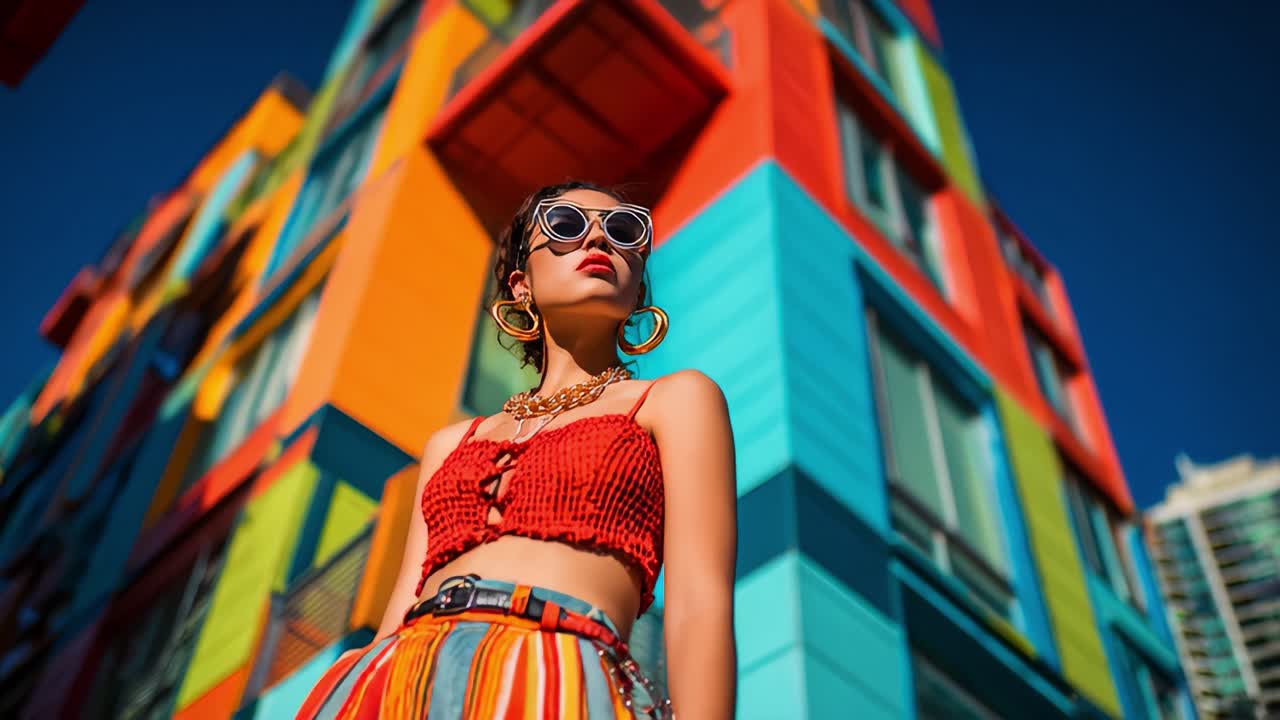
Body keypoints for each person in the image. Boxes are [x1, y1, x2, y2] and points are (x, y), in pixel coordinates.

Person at [294, 181, 738, 719]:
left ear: (637, 285)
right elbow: (399, 611)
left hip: (561, 672)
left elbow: (700, 605)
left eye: (624, 231)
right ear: (521, 284)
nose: (599, 237)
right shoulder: (451, 443)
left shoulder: (673, 401)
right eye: (566, 224)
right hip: (398, 676)